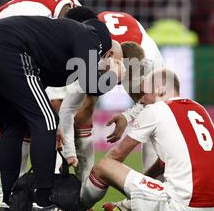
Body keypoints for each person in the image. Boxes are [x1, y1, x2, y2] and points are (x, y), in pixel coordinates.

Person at [0, 9, 124, 211]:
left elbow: (34, 88)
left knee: (14, 124)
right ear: (108, 54)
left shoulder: (59, 47)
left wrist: (49, 125)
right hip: (3, 47)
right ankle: (43, 204)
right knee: (45, 121)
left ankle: (9, 204)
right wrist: (113, 76)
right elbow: (90, 83)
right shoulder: (91, 36)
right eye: (112, 61)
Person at [0, 0, 76, 200]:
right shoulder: (51, 16)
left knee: (13, 124)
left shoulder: (49, 9)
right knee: (35, 122)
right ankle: (37, 196)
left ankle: (9, 200)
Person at [80, 68, 214, 211]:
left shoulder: (155, 110)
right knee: (157, 181)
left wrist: (113, 179)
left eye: (144, 93)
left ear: (160, 90)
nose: (141, 99)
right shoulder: (199, 109)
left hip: (183, 206)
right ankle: (128, 205)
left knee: (104, 166)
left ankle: (78, 205)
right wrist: (142, 181)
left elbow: (116, 157)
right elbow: (163, 163)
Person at [59, 10, 164, 185]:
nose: (115, 85)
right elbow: (67, 109)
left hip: (133, 56)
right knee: (83, 110)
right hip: (102, 45)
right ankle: (83, 185)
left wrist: (126, 116)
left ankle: (156, 188)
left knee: (155, 116)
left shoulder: (150, 61)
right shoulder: (90, 56)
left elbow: (152, 103)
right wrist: (69, 152)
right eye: (112, 79)